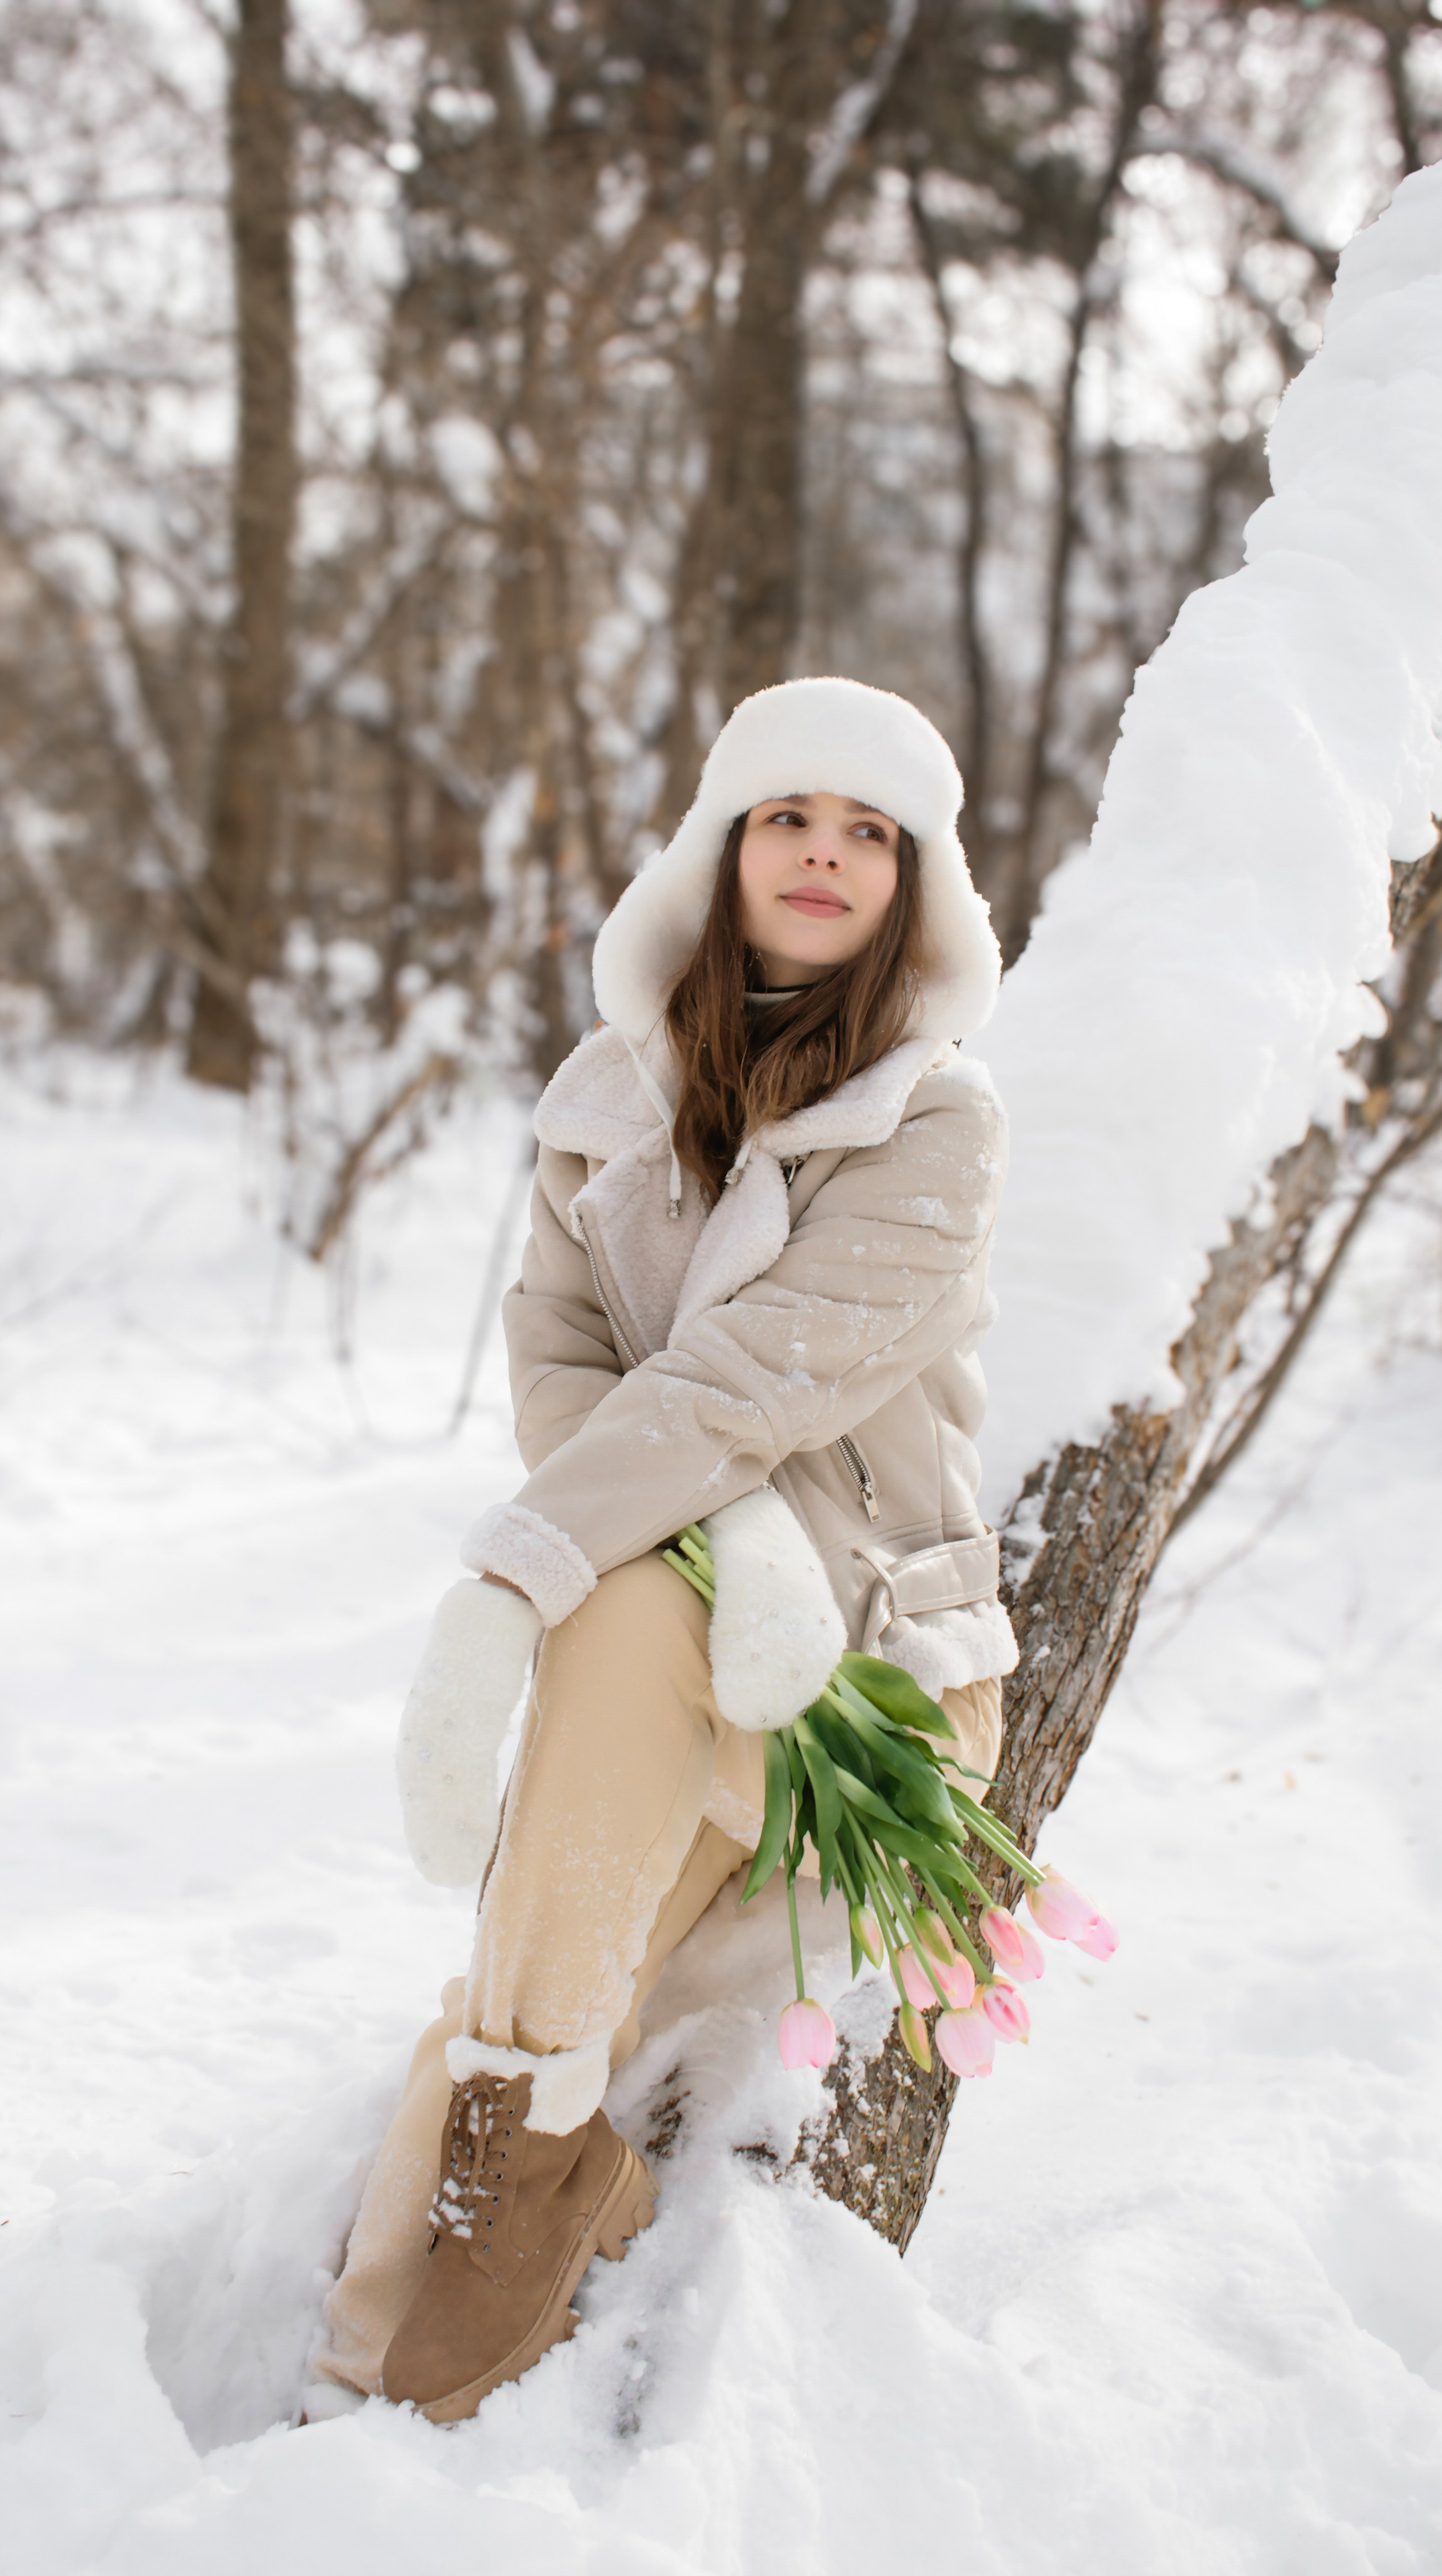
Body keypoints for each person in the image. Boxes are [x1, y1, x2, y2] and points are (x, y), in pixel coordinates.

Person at [315, 675, 1013, 2424]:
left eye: (869, 833)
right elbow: (555, 1360)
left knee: (612, 1621)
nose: (824, 854)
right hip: (669, 1651)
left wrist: (522, 1570)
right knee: (564, 1940)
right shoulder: (604, 1098)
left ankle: (436, 2298)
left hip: (866, 1681)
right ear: (725, 847)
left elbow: (743, 1383)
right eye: (790, 817)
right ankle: (467, 2267)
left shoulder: (937, 1125)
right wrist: (713, 1534)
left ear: (914, 882)